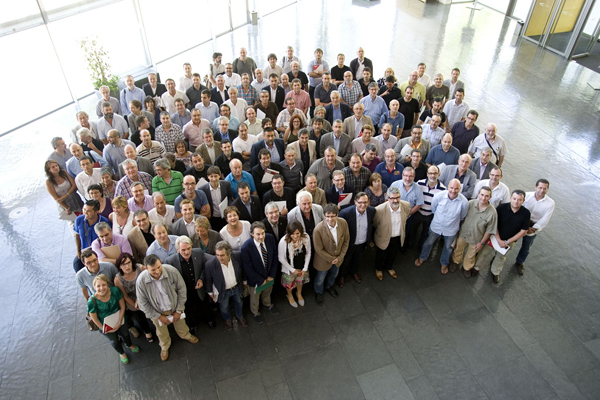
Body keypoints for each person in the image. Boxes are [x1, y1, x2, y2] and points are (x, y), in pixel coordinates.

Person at [137, 254, 199, 361]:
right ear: (146, 268)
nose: (157, 272)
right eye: (153, 270)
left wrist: (179, 309)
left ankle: (185, 335)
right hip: (156, 311)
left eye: (158, 267)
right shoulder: (141, 281)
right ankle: (164, 346)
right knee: (161, 331)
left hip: (174, 306)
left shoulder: (171, 271)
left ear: (160, 262)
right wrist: (158, 316)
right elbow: (143, 304)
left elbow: (182, 290)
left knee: (181, 323)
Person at [474, 190, 530, 283]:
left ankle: (495, 272)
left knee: (501, 257)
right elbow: (493, 224)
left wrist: (507, 242)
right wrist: (499, 239)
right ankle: (476, 267)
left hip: (510, 241)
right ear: (511, 198)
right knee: (484, 253)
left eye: (519, 200)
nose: (516, 201)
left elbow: (523, 231)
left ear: (523, 201)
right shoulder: (501, 208)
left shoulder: (526, 213)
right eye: (514, 198)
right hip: (494, 237)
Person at [415, 179, 469, 274]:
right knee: (428, 243)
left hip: (451, 230)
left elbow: (462, 216)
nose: (453, 190)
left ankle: (444, 263)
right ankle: (422, 257)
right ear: (448, 187)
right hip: (436, 226)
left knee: (448, 248)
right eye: (451, 188)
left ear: (460, 189)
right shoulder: (438, 196)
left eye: (456, 189)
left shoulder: (464, 202)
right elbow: (433, 209)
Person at [165, 236, 216, 334]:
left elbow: (205, 267)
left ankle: (209, 319)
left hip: (199, 288)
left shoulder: (198, 252)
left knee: (204, 305)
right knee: (189, 309)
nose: (187, 252)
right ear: (177, 250)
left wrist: (201, 279)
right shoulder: (170, 261)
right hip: (185, 291)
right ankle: (193, 324)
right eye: (183, 250)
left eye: (189, 249)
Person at [87, 273, 139, 364]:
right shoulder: (92, 301)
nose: (101, 288)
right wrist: (103, 328)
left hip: (119, 318)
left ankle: (129, 344)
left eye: (103, 285)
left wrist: (119, 321)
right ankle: (121, 353)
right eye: (98, 286)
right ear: (94, 287)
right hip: (105, 324)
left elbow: (122, 306)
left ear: (108, 284)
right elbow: (94, 318)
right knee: (114, 340)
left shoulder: (115, 291)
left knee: (125, 333)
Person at [449, 186, 497, 277]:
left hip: (476, 238)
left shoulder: (492, 213)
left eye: (486, 196)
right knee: (458, 249)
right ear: (478, 194)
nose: (483, 198)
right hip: (463, 234)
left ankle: (467, 267)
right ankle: (456, 262)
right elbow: (461, 217)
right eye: (482, 195)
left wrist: (481, 243)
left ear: (490, 197)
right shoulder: (470, 203)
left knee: (471, 254)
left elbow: (489, 230)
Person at [203, 241, 248, 330]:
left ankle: (240, 316)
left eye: (222, 255)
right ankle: (227, 319)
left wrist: (244, 281)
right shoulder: (210, 264)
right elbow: (208, 279)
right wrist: (210, 292)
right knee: (224, 307)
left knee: (239, 302)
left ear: (229, 253)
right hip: (222, 291)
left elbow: (242, 269)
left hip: (236, 287)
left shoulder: (237, 256)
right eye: (217, 255)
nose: (219, 258)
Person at [241, 222, 279, 323]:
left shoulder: (270, 238)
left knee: (267, 292)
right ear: (252, 234)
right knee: (255, 297)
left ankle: (267, 305)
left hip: (269, 276)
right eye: (258, 234)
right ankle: (255, 312)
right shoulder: (246, 248)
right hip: (255, 280)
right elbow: (248, 269)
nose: (261, 236)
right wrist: (260, 280)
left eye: (263, 233)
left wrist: (271, 275)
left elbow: (275, 256)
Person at [515, 179, 555, 275]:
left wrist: (534, 228)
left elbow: (545, 218)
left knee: (526, 247)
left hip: (533, 227)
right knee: (510, 241)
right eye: (540, 187)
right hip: (520, 223)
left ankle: (519, 262)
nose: (542, 190)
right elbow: (518, 209)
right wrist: (523, 226)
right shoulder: (526, 196)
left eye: (545, 188)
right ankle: (499, 258)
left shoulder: (550, 203)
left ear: (547, 189)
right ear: (535, 187)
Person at [312, 204, 350, 305]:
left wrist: (340, 257)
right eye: (327, 216)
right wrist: (333, 258)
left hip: (338, 259)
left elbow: (346, 240)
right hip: (323, 261)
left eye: (333, 216)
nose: (330, 219)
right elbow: (318, 249)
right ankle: (318, 292)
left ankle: (329, 286)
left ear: (337, 215)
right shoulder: (318, 229)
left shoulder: (343, 223)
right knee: (320, 279)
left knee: (334, 274)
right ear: (324, 216)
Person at [114, 253, 154, 342]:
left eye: (128, 263)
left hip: (146, 295)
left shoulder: (140, 268)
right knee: (139, 317)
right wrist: (137, 306)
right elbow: (126, 296)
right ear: (119, 266)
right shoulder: (118, 279)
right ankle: (147, 331)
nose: (127, 266)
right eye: (123, 264)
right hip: (133, 300)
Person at [372, 187, 409, 280]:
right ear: (387, 198)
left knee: (393, 253)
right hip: (384, 236)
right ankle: (379, 269)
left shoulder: (406, 205)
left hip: (398, 236)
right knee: (381, 254)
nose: (395, 200)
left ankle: (389, 267)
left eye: (397, 197)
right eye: (392, 198)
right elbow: (375, 223)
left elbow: (406, 218)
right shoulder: (379, 210)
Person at [338, 192, 374, 286]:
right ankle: (341, 276)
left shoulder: (371, 211)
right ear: (355, 202)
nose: (363, 205)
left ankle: (353, 272)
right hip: (349, 243)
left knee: (357, 259)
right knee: (345, 261)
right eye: (360, 202)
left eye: (365, 202)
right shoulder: (345, 213)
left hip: (362, 242)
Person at [278, 221, 311, 307]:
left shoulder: (306, 237)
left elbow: (308, 252)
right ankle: (290, 295)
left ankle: (299, 294)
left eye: (297, 233)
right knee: (289, 284)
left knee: (300, 281)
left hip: (302, 267)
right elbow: (281, 258)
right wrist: (292, 270)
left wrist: (305, 268)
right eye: (292, 234)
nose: (295, 236)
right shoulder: (283, 241)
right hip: (289, 268)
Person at [73, 200, 110, 272]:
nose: (85, 213)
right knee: (77, 265)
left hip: (99, 252)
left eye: (89, 211)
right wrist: (78, 250)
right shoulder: (79, 220)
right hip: (85, 252)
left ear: (96, 211)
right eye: (84, 209)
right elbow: (77, 236)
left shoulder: (104, 222)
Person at [414, 166, 446, 248]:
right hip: (417, 212)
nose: (432, 175)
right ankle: (410, 245)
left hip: (430, 215)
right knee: (413, 230)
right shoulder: (419, 183)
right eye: (430, 173)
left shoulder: (443, 189)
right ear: (427, 174)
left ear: (439, 174)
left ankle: (420, 247)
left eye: (435, 173)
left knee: (425, 233)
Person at [200, 166, 234, 231]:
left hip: (224, 216)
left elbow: (230, 198)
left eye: (215, 176)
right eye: (211, 176)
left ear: (219, 176)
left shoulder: (226, 184)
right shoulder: (203, 189)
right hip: (212, 218)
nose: (214, 179)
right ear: (208, 177)